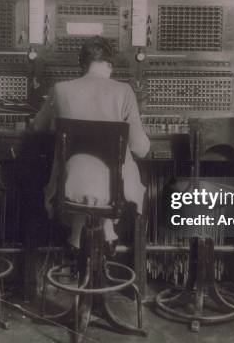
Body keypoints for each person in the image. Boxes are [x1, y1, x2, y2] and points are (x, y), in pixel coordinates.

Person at [32, 36, 150, 249]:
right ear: (109, 65)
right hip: (114, 187)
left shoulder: (60, 89)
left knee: (80, 173)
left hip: (71, 183)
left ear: (82, 65)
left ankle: (79, 239)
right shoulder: (124, 91)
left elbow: (37, 127)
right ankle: (106, 235)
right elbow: (140, 149)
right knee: (108, 177)